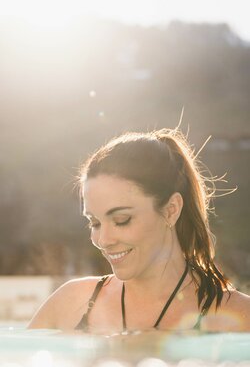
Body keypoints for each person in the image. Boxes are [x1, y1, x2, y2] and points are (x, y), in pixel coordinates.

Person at [28, 128, 250, 333]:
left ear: (171, 210)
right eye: (94, 223)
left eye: (122, 220)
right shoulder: (70, 304)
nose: (103, 240)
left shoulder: (240, 316)